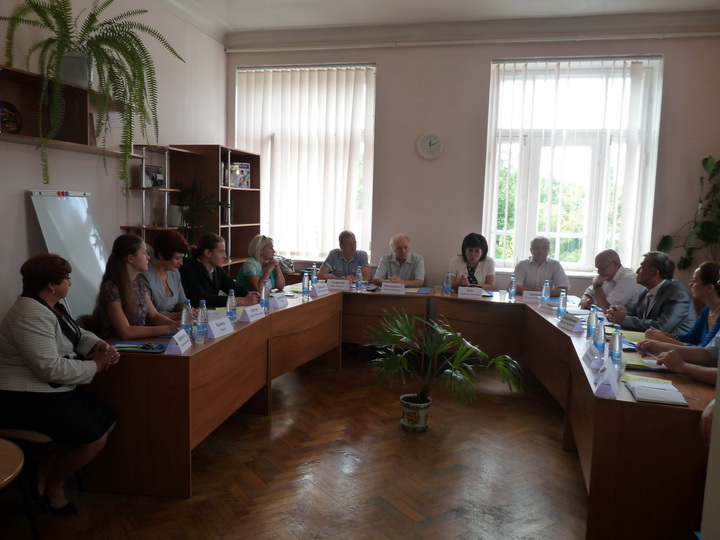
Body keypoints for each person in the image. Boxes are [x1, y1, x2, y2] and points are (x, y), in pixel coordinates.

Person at [0, 254, 119, 513]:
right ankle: (55, 485)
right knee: (94, 437)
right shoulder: (29, 313)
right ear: (51, 285)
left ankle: (43, 475)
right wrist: (96, 365)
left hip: (52, 393)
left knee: (107, 419)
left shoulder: (52, 304)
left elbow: (76, 333)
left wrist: (98, 345)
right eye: (66, 279)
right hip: (24, 399)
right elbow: (49, 368)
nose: (70, 283)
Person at [94, 234, 181, 339]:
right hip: (114, 345)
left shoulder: (138, 282)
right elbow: (126, 332)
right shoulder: (111, 288)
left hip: (137, 342)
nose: (148, 257)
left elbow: (154, 316)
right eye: (144, 253)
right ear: (130, 258)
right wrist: (169, 329)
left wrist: (178, 326)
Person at [606, 251, 696, 334]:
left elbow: (661, 327)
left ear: (655, 273)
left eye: (642, 267)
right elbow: (632, 313)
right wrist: (615, 313)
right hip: (648, 341)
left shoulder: (677, 294)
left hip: (674, 344)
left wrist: (624, 319)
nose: (637, 271)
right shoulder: (646, 291)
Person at [642, 261, 720, 348]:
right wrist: (663, 335)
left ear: (709, 288)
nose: (690, 284)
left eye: (694, 281)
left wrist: (665, 339)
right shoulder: (707, 310)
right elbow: (691, 338)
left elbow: (705, 351)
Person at [180, 233, 260, 308]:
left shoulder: (217, 268)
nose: (225, 256)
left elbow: (231, 286)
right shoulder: (188, 270)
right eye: (221, 252)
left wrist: (250, 295)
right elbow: (200, 298)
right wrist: (240, 301)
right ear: (208, 253)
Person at [139, 230, 190, 318]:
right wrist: (179, 316)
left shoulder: (175, 273)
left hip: (174, 322)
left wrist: (190, 310)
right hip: (155, 325)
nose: (181, 263)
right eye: (177, 258)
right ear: (162, 255)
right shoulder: (145, 277)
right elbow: (149, 316)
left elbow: (182, 302)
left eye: (182, 258)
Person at [579, 249, 643, 310]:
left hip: (629, 317)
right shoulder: (607, 275)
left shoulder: (628, 279)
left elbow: (607, 309)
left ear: (615, 264)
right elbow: (588, 293)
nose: (599, 272)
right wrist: (585, 299)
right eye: (597, 269)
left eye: (602, 268)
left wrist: (597, 286)